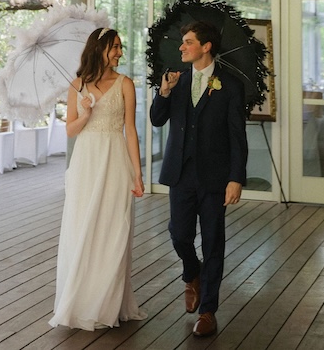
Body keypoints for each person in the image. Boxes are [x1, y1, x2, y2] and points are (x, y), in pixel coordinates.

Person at [150, 20, 248, 338]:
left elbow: (237, 137)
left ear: (206, 47)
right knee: (179, 234)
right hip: (180, 174)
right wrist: (163, 92)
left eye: (188, 42)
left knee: (213, 241)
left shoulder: (230, 85)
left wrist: (236, 178)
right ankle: (192, 273)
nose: (182, 47)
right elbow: (156, 119)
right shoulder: (175, 81)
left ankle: (207, 311)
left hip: (215, 177)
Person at [49, 26, 147, 330]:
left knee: (114, 228)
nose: (119, 52)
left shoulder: (125, 84)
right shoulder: (77, 85)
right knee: (84, 228)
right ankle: (81, 302)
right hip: (86, 162)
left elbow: (130, 130)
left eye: (120, 47)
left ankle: (108, 304)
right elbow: (69, 131)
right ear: (99, 49)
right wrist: (86, 114)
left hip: (115, 159)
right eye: (114, 47)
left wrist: (138, 173)